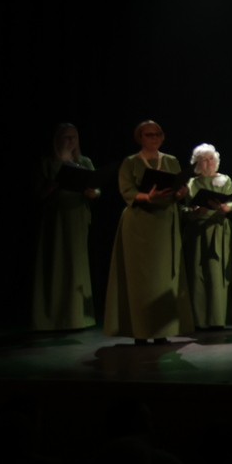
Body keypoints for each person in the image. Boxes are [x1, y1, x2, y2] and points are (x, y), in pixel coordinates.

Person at [103, 120, 193, 344]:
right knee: (141, 280)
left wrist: (181, 193)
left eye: (157, 134)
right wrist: (149, 197)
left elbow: (179, 189)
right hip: (139, 225)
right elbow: (127, 191)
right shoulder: (131, 162)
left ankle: (161, 331)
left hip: (165, 224)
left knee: (163, 279)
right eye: (148, 134)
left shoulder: (171, 160)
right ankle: (141, 331)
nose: (154, 138)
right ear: (140, 138)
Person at [33, 123, 98, 330]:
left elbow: (96, 187)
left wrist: (93, 193)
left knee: (76, 265)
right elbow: (37, 194)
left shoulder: (84, 162)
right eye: (67, 137)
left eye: (74, 137)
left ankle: (77, 317)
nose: (71, 141)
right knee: (56, 264)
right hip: (56, 217)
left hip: (77, 215)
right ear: (57, 139)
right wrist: (51, 187)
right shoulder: (47, 162)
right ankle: (51, 318)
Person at [182, 143, 232, 329]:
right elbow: (184, 209)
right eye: (204, 159)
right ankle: (199, 321)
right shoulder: (191, 183)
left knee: (216, 274)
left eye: (211, 158)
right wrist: (196, 211)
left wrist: (224, 208)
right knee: (197, 275)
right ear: (197, 163)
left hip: (218, 230)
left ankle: (216, 320)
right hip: (198, 232)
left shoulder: (224, 179)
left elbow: (231, 202)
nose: (209, 162)